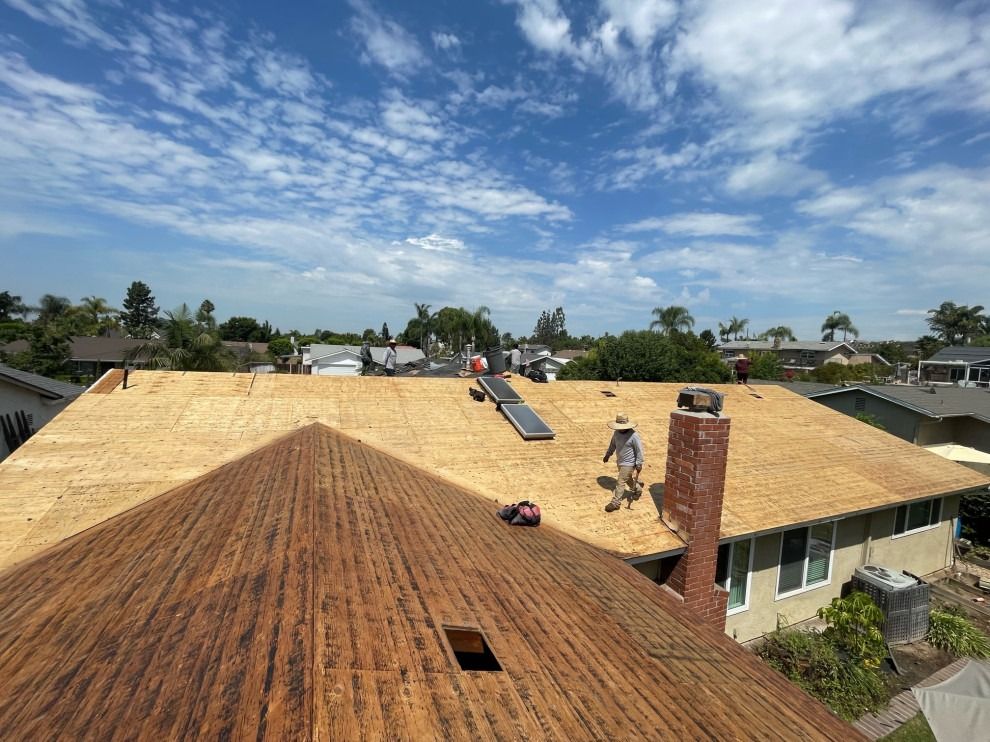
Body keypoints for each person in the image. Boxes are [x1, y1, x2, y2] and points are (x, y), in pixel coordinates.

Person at [602, 413, 644, 513]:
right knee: (628, 479)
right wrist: (608, 454)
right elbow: (612, 445)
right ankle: (638, 489)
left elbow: (639, 451)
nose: (620, 429)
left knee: (620, 481)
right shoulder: (616, 433)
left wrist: (639, 463)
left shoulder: (634, 436)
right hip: (620, 461)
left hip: (629, 463)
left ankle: (616, 503)